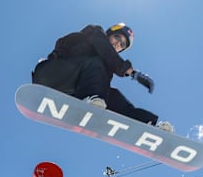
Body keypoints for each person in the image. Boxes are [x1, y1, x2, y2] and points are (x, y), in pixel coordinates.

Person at [32, 23, 167, 128]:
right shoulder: (94, 33)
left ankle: (148, 124)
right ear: (109, 34)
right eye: (117, 38)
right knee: (96, 65)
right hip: (51, 74)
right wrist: (132, 73)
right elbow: (102, 46)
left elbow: (107, 57)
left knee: (114, 95)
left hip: (73, 90)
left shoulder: (103, 66)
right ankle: (93, 101)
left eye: (122, 45)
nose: (117, 44)